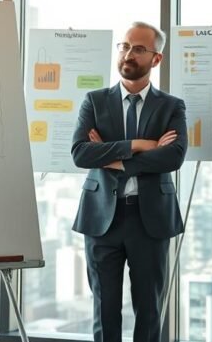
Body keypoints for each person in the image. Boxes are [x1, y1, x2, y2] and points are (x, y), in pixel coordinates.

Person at [71, 21, 187, 342]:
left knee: (149, 311)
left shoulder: (171, 106)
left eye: (138, 49)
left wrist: (109, 156)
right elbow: (80, 153)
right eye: (124, 46)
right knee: (105, 310)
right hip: (101, 218)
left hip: (149, 219)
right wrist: (138, 145)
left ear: (156, 59)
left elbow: (172, 157)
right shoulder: (94, 101)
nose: (128, 54)